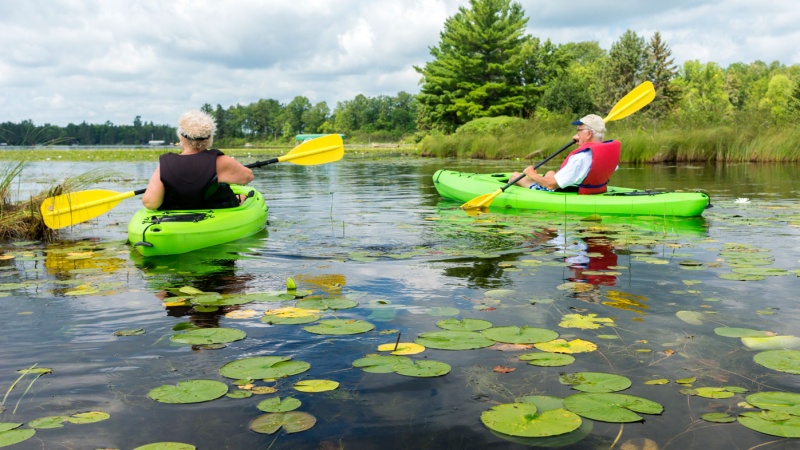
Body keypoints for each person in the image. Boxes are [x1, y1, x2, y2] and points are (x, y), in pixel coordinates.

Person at [142, 110, 254, 210]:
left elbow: (150, 203)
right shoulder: (220, 161)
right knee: (241, 196)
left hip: (176, 221)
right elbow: (248, 177)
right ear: (210, 137)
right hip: (217, 215)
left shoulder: (165, 164)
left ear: (181, 137)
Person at [512, 114, 620, 194]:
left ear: (589, 133)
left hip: (565, 191)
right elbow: (591, 165)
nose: (577, 133)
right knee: (550, 172)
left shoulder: (580, 159)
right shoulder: (609, 156)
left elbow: (551, 185)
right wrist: (583, 142)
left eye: (579, 130)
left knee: (515, 176)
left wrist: (532, 175)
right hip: (594, 190)